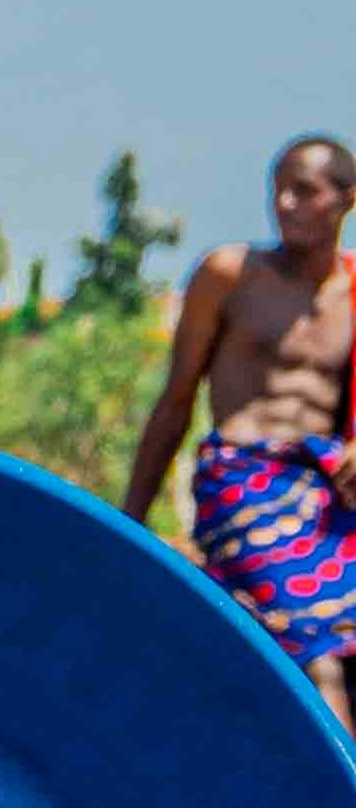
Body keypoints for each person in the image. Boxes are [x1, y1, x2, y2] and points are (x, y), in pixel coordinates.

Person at [123, 136, 356, 728]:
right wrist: (129, 523)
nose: (283, 203)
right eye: (278, 188)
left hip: (326, 492)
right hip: (243, 481)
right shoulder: (231, 275)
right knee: (318, 654)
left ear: (346, 201)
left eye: (304, 191)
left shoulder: (354, 294)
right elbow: (175, 403)